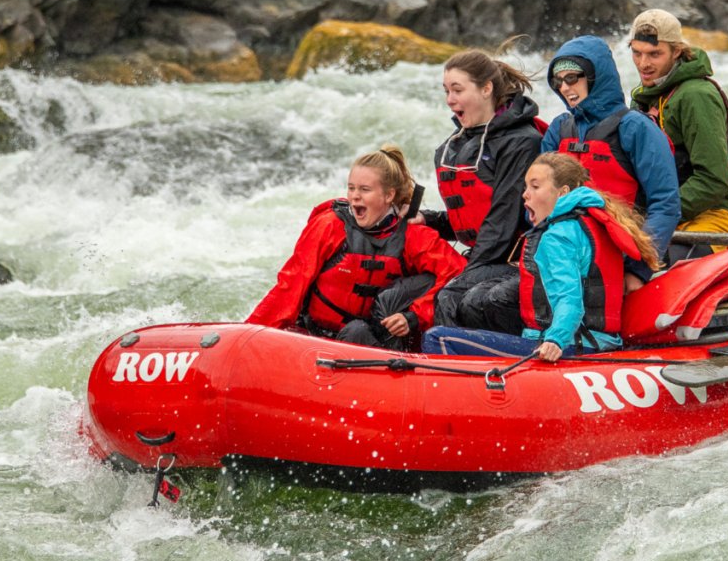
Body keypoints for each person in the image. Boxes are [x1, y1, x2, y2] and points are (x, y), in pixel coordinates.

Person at [422, 153, 662, 361]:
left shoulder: (557, 236)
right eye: (526, 187)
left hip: (572, 346)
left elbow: (570, 298)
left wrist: (556, 340)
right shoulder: (589, 220)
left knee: (438, 338)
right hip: (600, 341)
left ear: (562, 192)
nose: (525, 195)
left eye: (535, 187)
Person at [247, 146, 466, 348]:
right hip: (317, 338)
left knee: (359, 330)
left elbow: (459, 274)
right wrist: (250, 333)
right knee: (355, 331)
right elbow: (290, 286)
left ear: (388, 195)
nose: (354, 196)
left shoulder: (412, 235)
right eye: (351, 188)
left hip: (375, 338)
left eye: (364, 189)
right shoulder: (329, 226)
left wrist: (416, 316)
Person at [415, 48, 544, 332]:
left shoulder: (521, 142)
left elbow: (503, 223)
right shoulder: (454, 146)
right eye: (446, 91)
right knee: (405, 290)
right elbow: (473, 219)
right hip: (482, 256)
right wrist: (429, 220)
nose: (450, 100)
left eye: (457, 90)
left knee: (450, 296)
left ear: (486, 89)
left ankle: (450, 367)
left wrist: (466, 271)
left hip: (514, 260)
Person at [541, 35, 680, 269]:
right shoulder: (558, 130)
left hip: (621, 259)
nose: (565, 88)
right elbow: (537, 200)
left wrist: (638, 271)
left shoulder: (636, 128)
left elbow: (665, 205)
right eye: (558, 81)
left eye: (572, 78)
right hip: (564, 258)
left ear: (595, 77)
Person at [627, 9, 728, 254]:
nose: (644, 63)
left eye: (655, 54)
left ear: (676, 51)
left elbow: (713, 180)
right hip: (674, 212)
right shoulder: (647, 96)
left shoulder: (696, 96)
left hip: (721, 213)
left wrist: (657, 216)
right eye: (637, 53)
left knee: (654, 261)